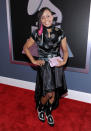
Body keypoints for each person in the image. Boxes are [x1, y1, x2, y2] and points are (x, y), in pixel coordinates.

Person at [23, 7, 68, 127]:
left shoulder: (60, 32)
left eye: (48, 16)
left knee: (54, 93)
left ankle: (48, 111)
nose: (46, 19)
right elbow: (25, 48)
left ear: (52, 17)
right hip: (45, 66)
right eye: (43, 17)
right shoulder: (37, 34)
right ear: (40, 20)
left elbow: (65, 50)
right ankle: (40, 108)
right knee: (48, 93)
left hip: (57, 64)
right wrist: (34, 60)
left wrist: (64, 61)